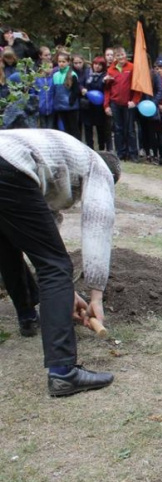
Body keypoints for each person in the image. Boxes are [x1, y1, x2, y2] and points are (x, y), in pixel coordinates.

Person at [0, 129, 120, 396]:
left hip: (7, 163)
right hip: (8, 164)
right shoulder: (97, 167)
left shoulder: (65, 160)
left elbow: (38, 233)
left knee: (7, 246)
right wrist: (95, 297)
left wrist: (68, 293)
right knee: (56, 265)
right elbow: (97, 225)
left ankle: (28, 317)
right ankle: (63, 373)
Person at [104, 47, 141, 162]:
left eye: (122, 54)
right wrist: (106, 105)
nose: (121, 57)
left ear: (126, 55)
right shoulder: (111, 70)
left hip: (128, 103)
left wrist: (135, 101)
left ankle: (133, 154)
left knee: (130, 130)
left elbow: (137, 86)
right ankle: (121, 153)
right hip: (115, 103)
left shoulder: (132, 67)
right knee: (118, 129)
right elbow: (107, 89)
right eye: (118, 55)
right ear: (115, 57)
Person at [81, 56, 110, 151]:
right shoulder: (88, 74)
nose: (97, 66)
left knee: (100, 129)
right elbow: (81, 84)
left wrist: (103, 82)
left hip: (99, 107)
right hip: (88, 106)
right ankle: (90, 148)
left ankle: (102, 148)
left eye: (100, 65)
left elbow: (101, 88)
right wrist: (83, 89)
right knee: (88, 128)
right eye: (95, 64)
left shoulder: (105, 76)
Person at [51, 51, 81, 140]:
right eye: (59, 61)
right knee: (66, 128)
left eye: (63, 62)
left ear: (68, 62)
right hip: (60, 106)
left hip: (70, 106)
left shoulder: (72, 74)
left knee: (73, 128)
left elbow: (76, 90)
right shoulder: (55, 75)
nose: (61, 64)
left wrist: (71, 102)